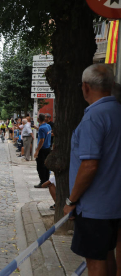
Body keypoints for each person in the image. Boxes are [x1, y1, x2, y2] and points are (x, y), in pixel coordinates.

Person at [60, 64, 121, 276]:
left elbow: (89, 165)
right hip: (114, 203)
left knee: (95, 262)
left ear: (85, 88)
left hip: (95, 207)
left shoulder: (93, 117)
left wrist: (71, 201)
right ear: (112, 86)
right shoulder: (117, 111)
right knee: (107, 255)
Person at [33, 114, 52, 187]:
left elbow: (41, 140)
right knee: (46, 166)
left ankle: (43, 182)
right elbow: (45, 133)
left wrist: (37, 151)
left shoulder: (41, 128)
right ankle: (46, 181)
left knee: (40, 167)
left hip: (42, 149)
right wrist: (37, 128)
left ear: (38, 119)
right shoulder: (48, 126)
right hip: (48, 148)